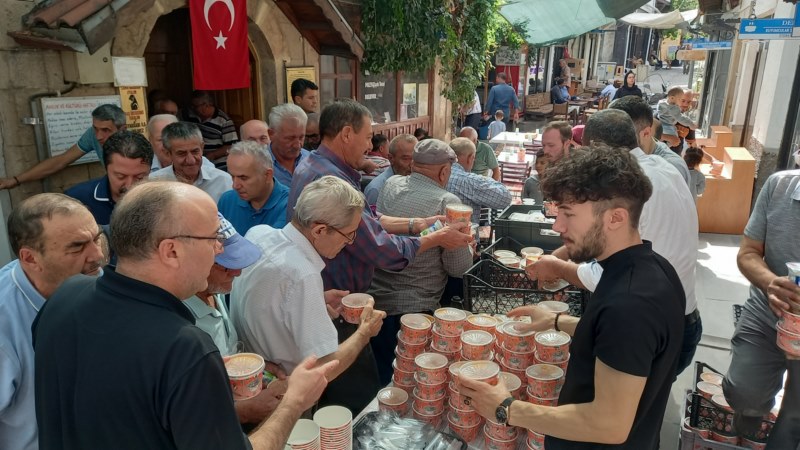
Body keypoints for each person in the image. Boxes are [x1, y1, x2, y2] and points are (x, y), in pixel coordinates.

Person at [33, 181, 338, 450]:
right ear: (171, 251)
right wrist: (294, 401)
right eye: (212, 239)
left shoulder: (66, 296)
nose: (219, 249)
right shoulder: (185, 348)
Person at [458, 145, 685, 450]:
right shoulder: (653, 268)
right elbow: (618, 342)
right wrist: (556, 321)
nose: (557, 227)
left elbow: (608, 425)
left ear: (616, 218)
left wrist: (506, 408)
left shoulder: (630, 304)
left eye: (568, 215)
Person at [286, 99, 473, 413]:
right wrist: (439, 237)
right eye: (367, 135)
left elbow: (371, 220)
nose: (372, 144)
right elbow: (382, 250)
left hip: (348, 299)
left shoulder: (319, 166)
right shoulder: (331, 177)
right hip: (341, 306)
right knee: (357, 401)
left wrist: (419, 224)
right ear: (347, 133)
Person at [528, 109, 700, 377]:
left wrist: (557, 267)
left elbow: (605, 276)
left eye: (569, 214)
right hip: (684, 315)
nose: (558, 225)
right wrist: (562, 254)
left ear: (595, 148)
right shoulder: (662, 167)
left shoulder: (619, 190)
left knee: (634, 410)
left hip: (651, 328)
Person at [233, 176, 386, 380]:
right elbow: (323, 368)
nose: (350, 242)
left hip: (249, 369)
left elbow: (269, 302)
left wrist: (316, 299)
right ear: (319, 230)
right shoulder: (303, 275)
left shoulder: (258, 234)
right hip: (281, 387)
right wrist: (364, 333)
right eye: (348, 234)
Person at [0, 194, 104, 450]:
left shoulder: (96, 282)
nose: (97, 255)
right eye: (77, 247)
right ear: (30, 258)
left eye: (97, 238)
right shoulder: (5, 323)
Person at [370, 139, 474, 383]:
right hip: (416, 310)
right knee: (412, 383)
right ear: (444, 171)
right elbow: (458, 267)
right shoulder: (447, 201)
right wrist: (467, 246)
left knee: (384, 382)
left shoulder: (391, 184)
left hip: (377, 303)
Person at [184, 212, 287, 426]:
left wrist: (255, 369)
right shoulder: (180, 323)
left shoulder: (214, 291)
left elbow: (226, 353)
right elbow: (186, 410)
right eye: (226, 266)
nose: (238, 272)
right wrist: (243, 411)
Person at [722, 169, 800, 448]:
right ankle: (752, 409)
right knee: (744, 392)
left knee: (794, 415)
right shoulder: (779, 186)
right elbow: (748, 253)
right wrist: (771, 284)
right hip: (768, 314)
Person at [0, 104, 126, 190]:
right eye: (95, 129)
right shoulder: (92, 135)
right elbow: (61, 161)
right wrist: (15, 180)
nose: (98, 136)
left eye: (105, 130)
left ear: (122, 129)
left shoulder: (135, 145)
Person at [65, 131, 154, 224]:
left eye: (139, 177)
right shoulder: (76, 200)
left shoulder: (161, 202)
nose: (129, 185)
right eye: (121, 176)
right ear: (106, 168)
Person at [609, 96, 690, 185]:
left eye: (623, 136)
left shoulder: (671, 168)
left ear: (646, 133)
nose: (614, 143)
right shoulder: (623, 157)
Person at [218, 141, 289, 234]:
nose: (235, 186)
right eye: (232, 176)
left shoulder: (290, 205)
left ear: (267, 175)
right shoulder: (227, 201)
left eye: (243, 178)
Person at [150, 122, 233, 202]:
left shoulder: (223, 181)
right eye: (182, 154)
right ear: (168, 153)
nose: (191, 160)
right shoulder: (154, 184)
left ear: (202, 147)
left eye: (195, 151)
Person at [446, 137, 512, 223]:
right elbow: (505, 198)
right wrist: (485, 180)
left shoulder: (438, 174)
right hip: (465, 234)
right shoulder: (470, 181)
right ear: (470, 158)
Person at [183, 90, 239, 166]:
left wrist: (212, 155)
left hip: (217, 161)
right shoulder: (191, 115)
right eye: (192, 106)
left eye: (195, 106)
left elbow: (231, 146)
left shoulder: (224, 121)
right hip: (195, 158)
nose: (193, 109)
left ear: (206, 105)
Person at [364, 134, 416, 206]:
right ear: (391, 158)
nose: (412, 164)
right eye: (406, 159)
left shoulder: (419, 182)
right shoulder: (376, 189)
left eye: (415, 158)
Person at [268, 104, 310, 186]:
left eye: (301, 137)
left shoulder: (312, 161)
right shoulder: (258, 166)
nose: (297, 145)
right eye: (290, 138)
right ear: (271, 134)